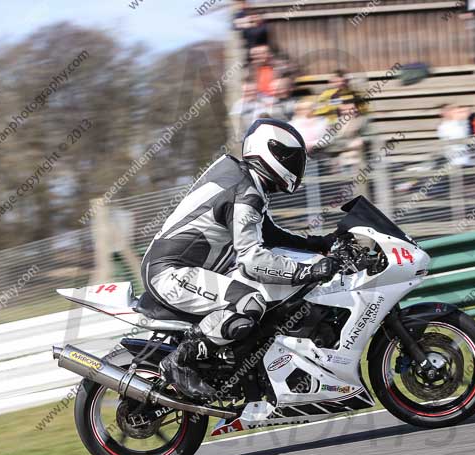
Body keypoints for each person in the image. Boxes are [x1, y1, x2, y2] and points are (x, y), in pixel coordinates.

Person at [141, 119, 340, 399]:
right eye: (293, 159)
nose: (298, 167)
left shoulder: (244, 181)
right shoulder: (245, 190)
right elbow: (252, 260)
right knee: (249, 302)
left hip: (182, 269)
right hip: (171, 273)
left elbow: (267, 234)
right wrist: (305, 272)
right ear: (272, 153)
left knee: (260, 296)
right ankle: (180, 362)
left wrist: (315, 244)